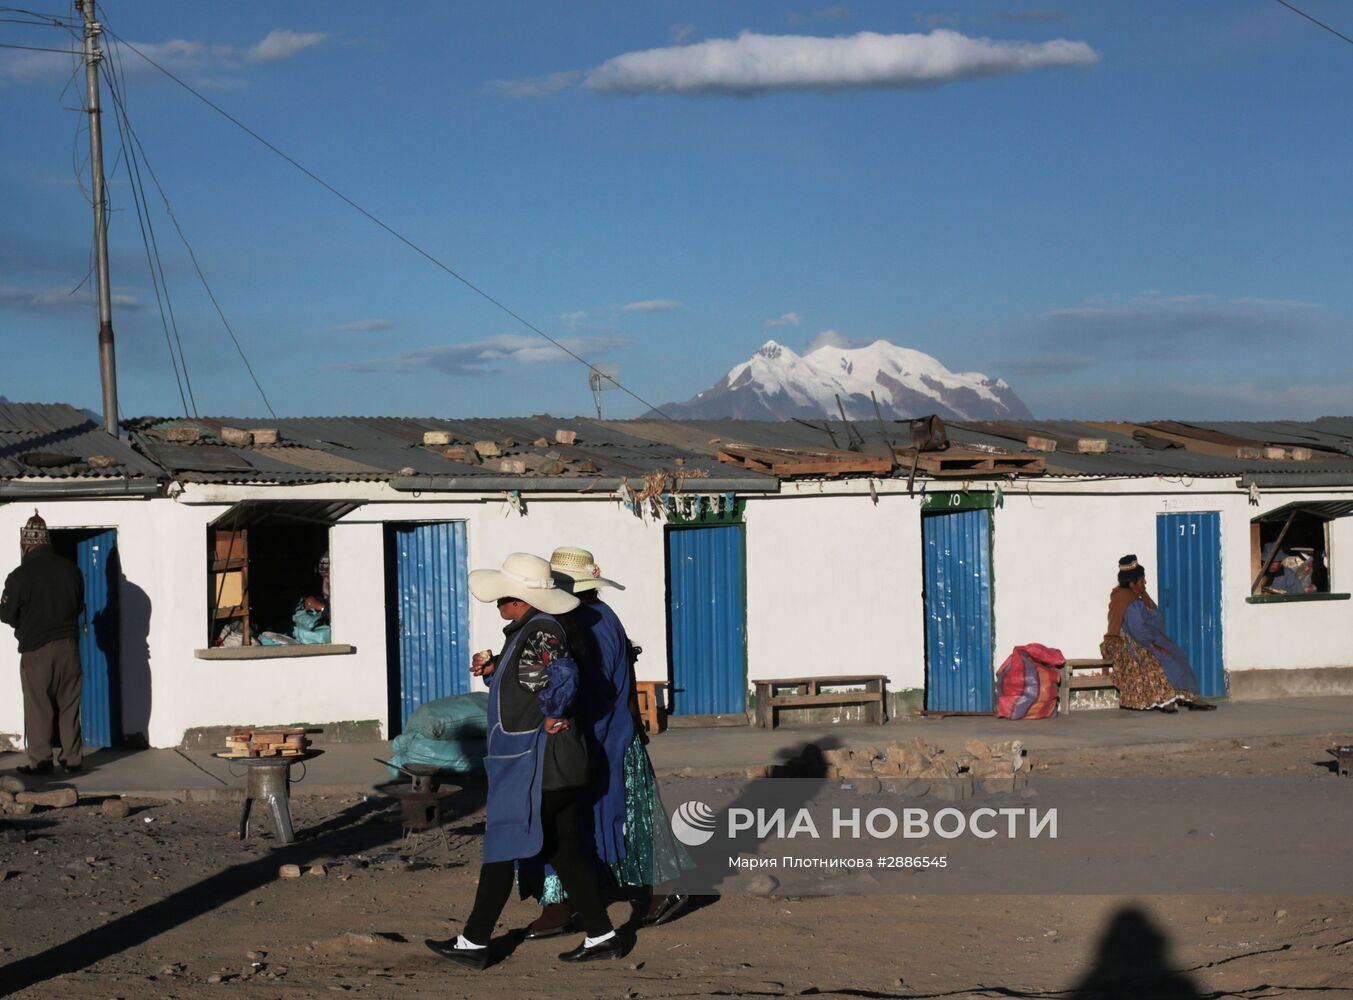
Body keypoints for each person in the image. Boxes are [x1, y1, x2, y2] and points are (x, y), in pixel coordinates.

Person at [425, 552, 623, 970]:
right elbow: (530, 680)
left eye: (502, 598)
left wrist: (553, 712)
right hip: (556, 763)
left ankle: (474, 941)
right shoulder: (534, 630)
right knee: (565, 849)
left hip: (537, 762)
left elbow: (561, 676)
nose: (498, 606)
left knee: (503, 844)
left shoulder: (539, 632)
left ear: (520, 599)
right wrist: (497, 669)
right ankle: (602, 933)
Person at [519, 546, 694, 939]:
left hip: (599, 738)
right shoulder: (592, 617)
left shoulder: (586, 622)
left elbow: (580, 683)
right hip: (602, 734)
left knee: (609, 819)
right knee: (601, 820)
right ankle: (566, 901)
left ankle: (566, 903)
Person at [0, 511, 85, 775]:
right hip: (69, 647)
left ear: (26, 544)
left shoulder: (19, 576)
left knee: (39, 705)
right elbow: (79, 605)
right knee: (69, 703)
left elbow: (5, 614)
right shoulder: (72, 570)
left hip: (37, 649)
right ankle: (72, 758)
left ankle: (41, 759)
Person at [1101, 555, 1214, 713]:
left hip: (1142, 639)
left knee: (1175, 654)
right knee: (1161, 658)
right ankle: (1164, 700)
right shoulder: (1127, 601)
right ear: (1132, 584)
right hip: (1132, 644)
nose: (1145, 583)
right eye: (1142, 581)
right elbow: (1139, 631)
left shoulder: (1136, 598)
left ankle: (1187, 697)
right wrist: (1156, 642)